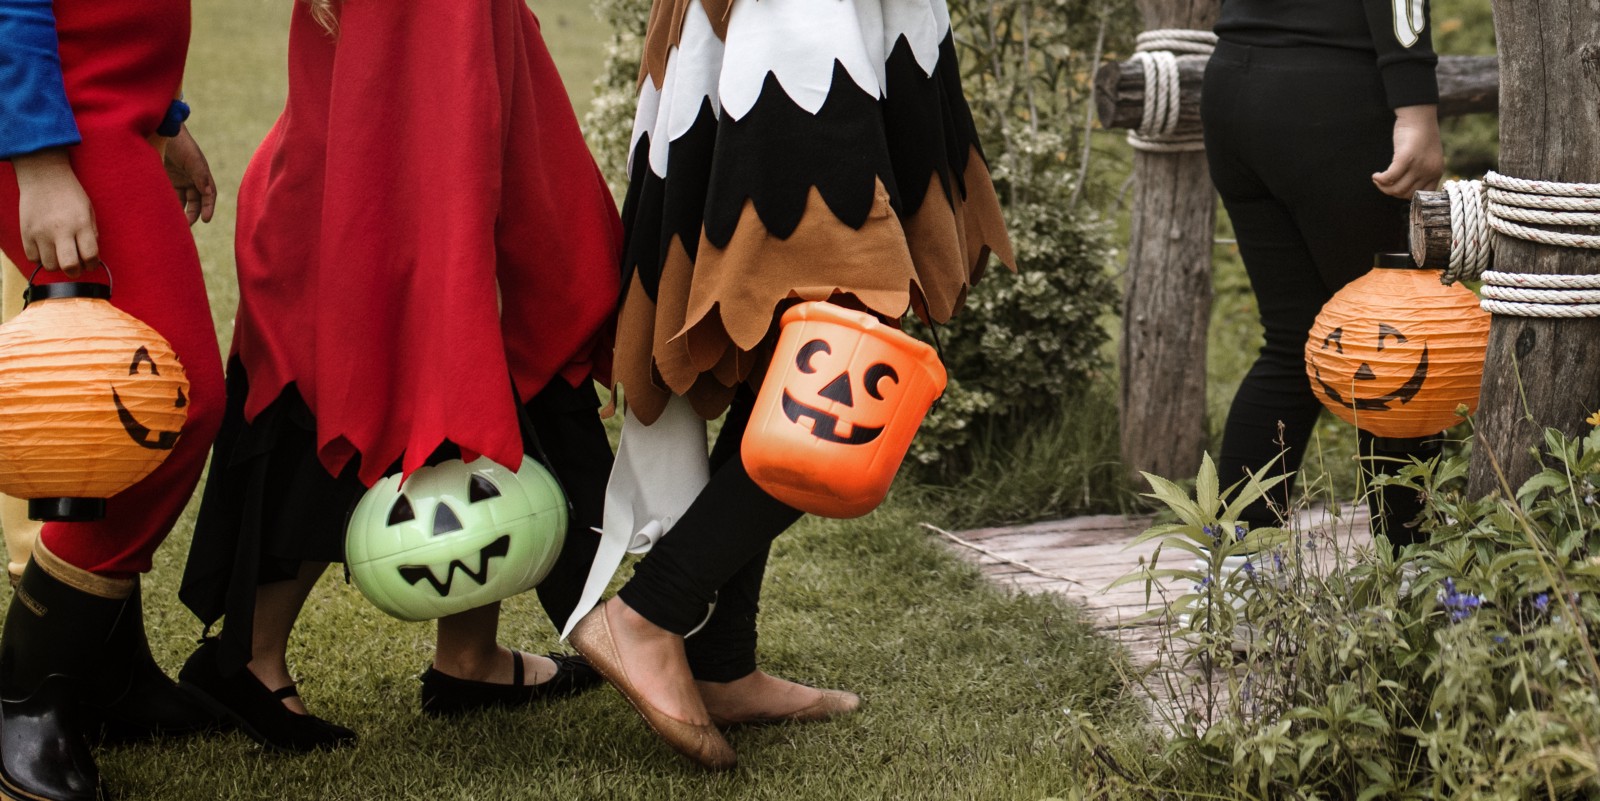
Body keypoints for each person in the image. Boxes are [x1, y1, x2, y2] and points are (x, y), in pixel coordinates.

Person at [566, 1, 1014, 770]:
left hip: (830, 30)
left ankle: (722, 663)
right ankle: (648, 613)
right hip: (793, 38)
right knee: (841, 344)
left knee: (790, 338)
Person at [173, 0, 622, 753]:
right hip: (383, 189)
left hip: (398, 168)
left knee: (468, 386)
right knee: (362, 392)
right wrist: (462, 246)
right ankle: (251, 658)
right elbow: (437, 93)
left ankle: (471, 656)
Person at [0, 1, 227, 798]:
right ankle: (28, 694)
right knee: (171, 395)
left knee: (120, 405)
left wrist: (160, 114)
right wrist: (36, 158)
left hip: (111, 109)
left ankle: (110, 675)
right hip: (54, 124)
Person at [1202, 0, 1445, 545]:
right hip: (1333, 98)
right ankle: (1415, 576)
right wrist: (1415, 107)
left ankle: (1234, 566)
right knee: (1398, 345)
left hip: (1235, 85)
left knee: (1292, 340)